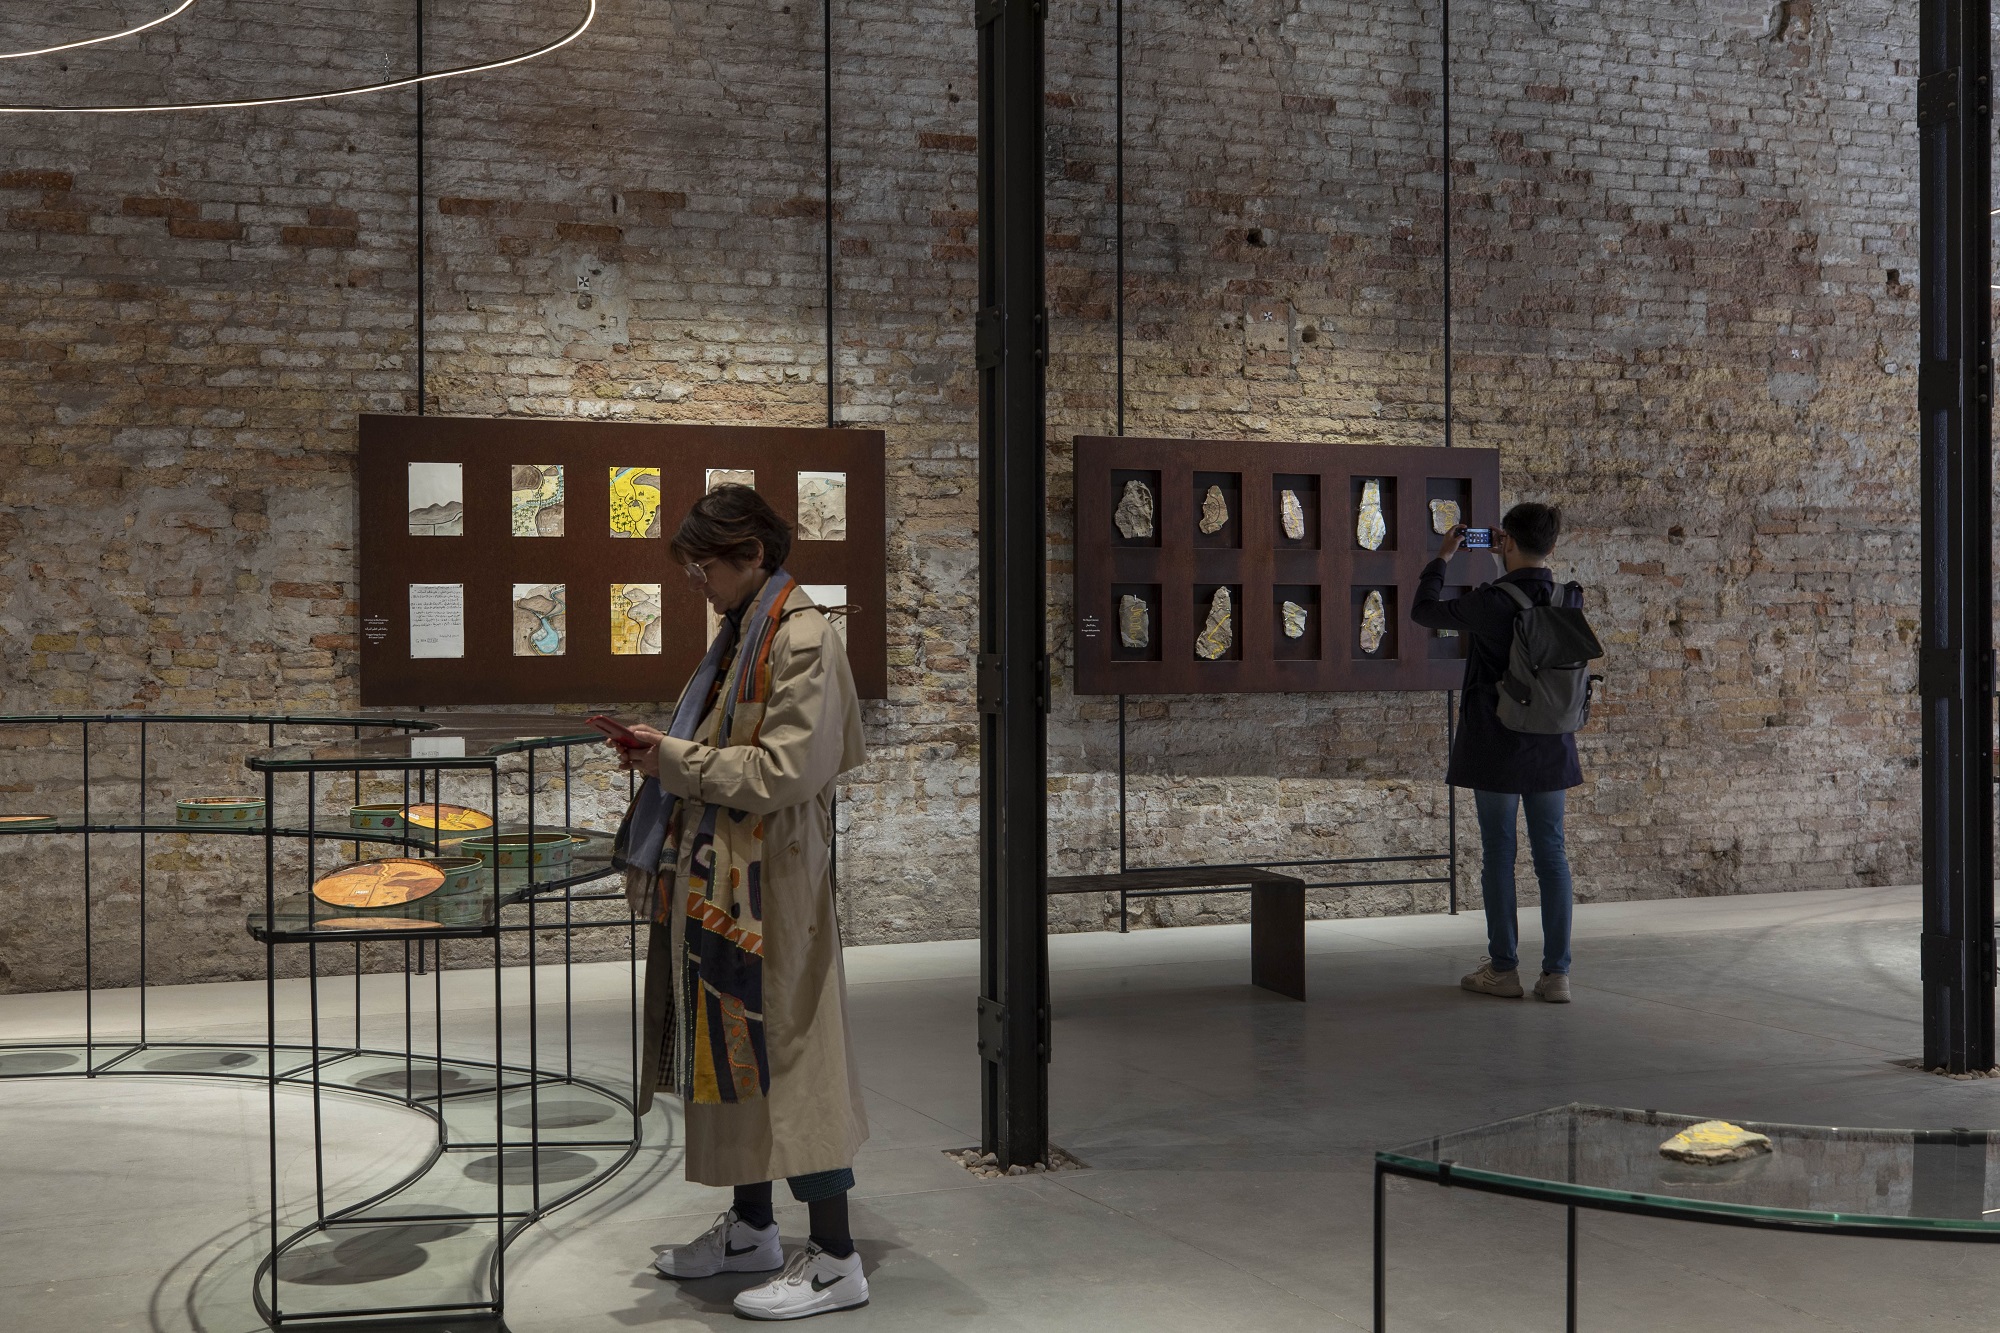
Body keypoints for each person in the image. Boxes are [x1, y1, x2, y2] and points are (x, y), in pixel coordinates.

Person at [609, 483, 871, 1320]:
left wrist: (672, 759)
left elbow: (782, 771)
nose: (698, 584)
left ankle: (836, 1257)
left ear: (753, 554)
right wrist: (667, 752)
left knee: (795, 1062)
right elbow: (726, 746)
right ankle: (754, 1228)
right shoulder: (741, 631)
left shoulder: (803, 638)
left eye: (706, 568)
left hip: (775, 890)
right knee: (733, 1054)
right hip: (727, 883)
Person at [1410, 502, 1581, 1004]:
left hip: (1497, 742)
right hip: (1551, 742)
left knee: (1499, 854)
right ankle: (1557, 976)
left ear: (1505, 540)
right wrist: (1504, 561)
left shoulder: (1490, 602)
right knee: (1552, 856)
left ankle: (1504, 970)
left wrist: (1443, 557)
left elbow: (1424, 611)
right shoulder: (1567, 597)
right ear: (1552, 545)